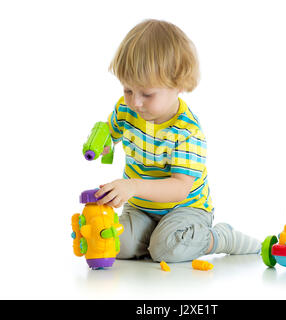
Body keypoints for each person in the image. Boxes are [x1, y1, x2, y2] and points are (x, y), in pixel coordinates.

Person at [94, 19, 261, 262]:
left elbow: (179, 188)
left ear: (178, 85)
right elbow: (112, 131)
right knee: (115, 245)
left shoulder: (187, 132)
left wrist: (132, 186)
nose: (135, 102)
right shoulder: (126, 109)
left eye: (147, 94)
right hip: (141, 207)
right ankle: (154, 237)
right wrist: (103, 142)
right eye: (128, 90)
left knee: (167, 251)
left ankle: (220, 237)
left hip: (185, 208)